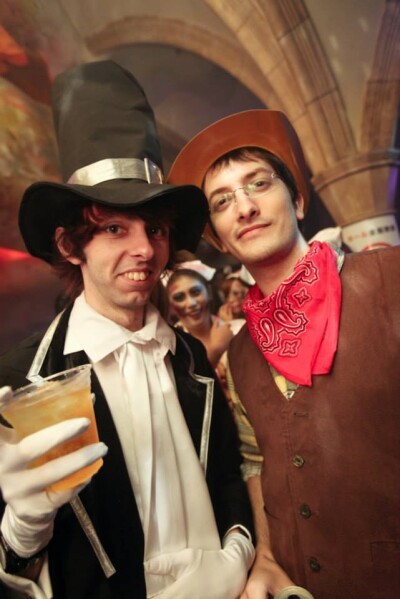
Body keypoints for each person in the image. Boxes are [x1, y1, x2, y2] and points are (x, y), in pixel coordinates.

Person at [0, 61, 255, 599]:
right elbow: (15, 568)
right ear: (71, 245)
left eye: (155, 228)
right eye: (115, 227)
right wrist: (21, 528)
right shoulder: (24, 378)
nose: (145, 249)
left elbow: (229, 477)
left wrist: (238, 550)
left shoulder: (190, 355)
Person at [168, 109, 400, 599]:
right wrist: (269, 556)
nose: (244, 207)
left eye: (258, 183)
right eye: (223, 200)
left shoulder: (387, 280)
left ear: (297, 200)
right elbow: (256, 460)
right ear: (218, 236)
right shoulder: (241, 352)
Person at [166, 268, 244, 403]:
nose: (191, 303)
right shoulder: (170, 350)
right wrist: (215, 351)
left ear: (209, 292)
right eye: (179, 297)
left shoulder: (239, 330)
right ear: (170, 305)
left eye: (196, 292)